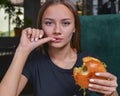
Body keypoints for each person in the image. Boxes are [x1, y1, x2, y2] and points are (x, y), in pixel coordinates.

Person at [0, 0, 118, 96]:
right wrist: (22, 50)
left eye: (65, 23)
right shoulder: (33, 61)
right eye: (49, 23)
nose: (57, 31)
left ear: (74, 28)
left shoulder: (90, 61)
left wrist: (111, 92)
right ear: (41, 26)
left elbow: (108, 92)